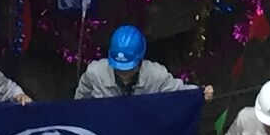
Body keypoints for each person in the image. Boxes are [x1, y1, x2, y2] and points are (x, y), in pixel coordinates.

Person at [75, 23, 207, 101]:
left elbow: (179, 91)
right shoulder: (94, 73)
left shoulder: (156, 75)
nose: (123, 74)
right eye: (119, 68)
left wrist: (201, 93)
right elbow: (80, 102)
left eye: (128, 69)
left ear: (140, 61)